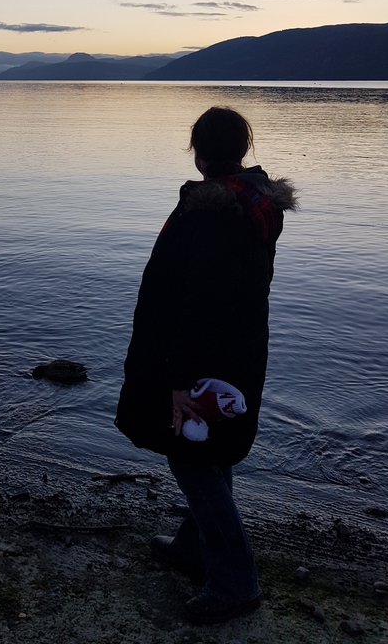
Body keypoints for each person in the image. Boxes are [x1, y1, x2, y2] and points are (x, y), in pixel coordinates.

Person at [115, 106, 297, 625]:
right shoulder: (253, 204)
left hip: (201, 356)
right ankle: (194, 547)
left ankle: (236, 582)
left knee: (192, 459)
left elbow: (202, 305)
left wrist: (177, 379)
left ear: (198, 150)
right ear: (242, 149)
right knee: (210, 451)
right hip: (238, 350)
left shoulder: (215, 215)